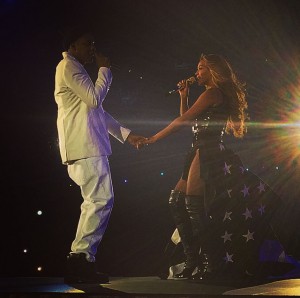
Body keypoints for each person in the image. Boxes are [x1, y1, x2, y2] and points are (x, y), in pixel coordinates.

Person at [140, 54, 291, 281]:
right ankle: (192, 262)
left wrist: (153, 138)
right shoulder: (208, 94)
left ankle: (211, 265)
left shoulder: (213, 93)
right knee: (177, 201)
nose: (196, 73)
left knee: (194, 206)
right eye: (197, 68)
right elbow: (191, 121)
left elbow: (182, 122)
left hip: (208, 151)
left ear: (213, 71)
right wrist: (184, 97)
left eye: (201, 68)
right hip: (198, 150)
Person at [54, 25, 145, 284]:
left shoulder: (75, 69)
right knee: (100, 200)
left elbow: (96, 111)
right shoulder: (68, 66)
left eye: (93, 43)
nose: (92, 48)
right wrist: (105, 70)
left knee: (96, 201)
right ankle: (80, 259)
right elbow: (95, 100)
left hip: (87, 146)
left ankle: (81, 260)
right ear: (72, 46)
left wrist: (126, 135)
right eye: (87, 43)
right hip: (84, 146)